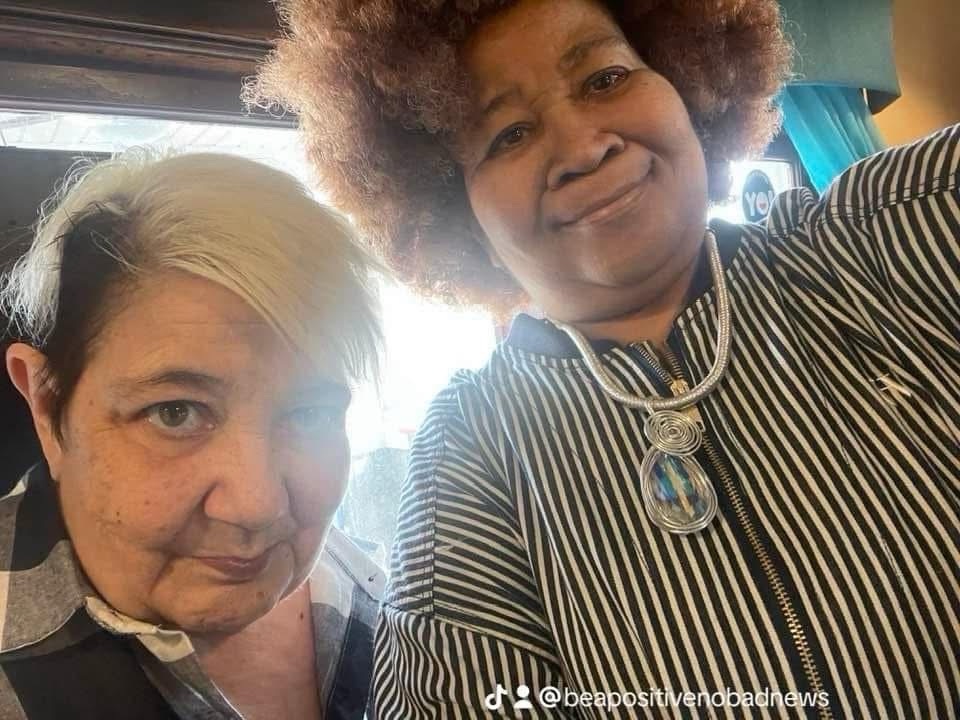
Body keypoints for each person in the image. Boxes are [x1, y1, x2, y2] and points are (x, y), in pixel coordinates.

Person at [254, 0, 960, 717]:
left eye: (605, 78)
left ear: (687, 83)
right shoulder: (471, 455)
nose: (583, 148)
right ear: (455, 208)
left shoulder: (885, 235)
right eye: (510, 133)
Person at [0, 151, 384, 719]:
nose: (257, 505)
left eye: (309, 415)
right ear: (47, 407)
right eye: (175, 413)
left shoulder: (392, 598)